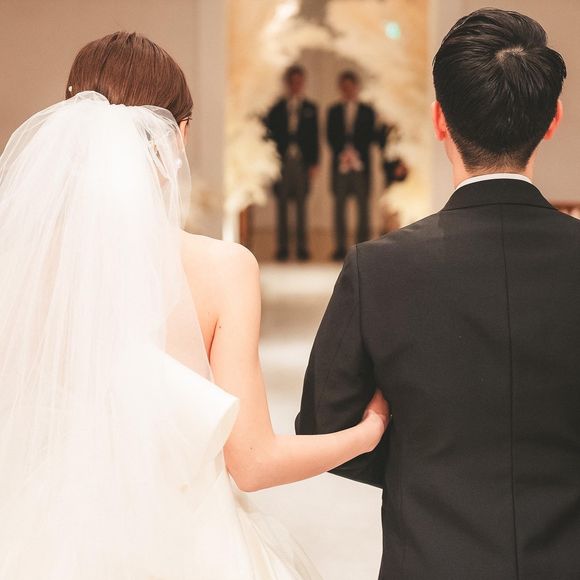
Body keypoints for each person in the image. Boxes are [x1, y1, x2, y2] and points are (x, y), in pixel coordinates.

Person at [0, 33, 389, 579]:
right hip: (186, 539)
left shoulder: (21, 258)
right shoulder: (223, 268)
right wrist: (368, 431)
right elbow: (251, 463)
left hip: (47, 532)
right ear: (178, 136)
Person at [297, 8, 580, 580]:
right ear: (553, 119)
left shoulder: (379, 266)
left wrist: (421, 466)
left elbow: (326, 428)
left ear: (439, 120)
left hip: (428, 557)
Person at [265, 65, 319, 261]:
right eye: (293, 82)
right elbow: (269, 136)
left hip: (302, 162)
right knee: (281, 205)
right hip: (282, 161)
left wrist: (314, 163)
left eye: (299, 82)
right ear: (288, 83)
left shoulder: (310, 108)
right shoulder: (277, 108)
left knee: (302, 206)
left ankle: (302, 246)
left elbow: (315, 138)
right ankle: (283, 247)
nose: (296, 85)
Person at [327, 70, 377, 261]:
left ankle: (362, 246)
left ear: (356, 87)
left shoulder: (367, 110)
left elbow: (370, 135)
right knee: (339, 206)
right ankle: (339, 247)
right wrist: (344, 153)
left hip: (361, 165)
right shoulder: (333, 111)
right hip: (340, 165)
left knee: (363, 206)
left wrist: (355, 153)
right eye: (344, 87)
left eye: (350, 87)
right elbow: (329, 136)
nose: (347, 90)